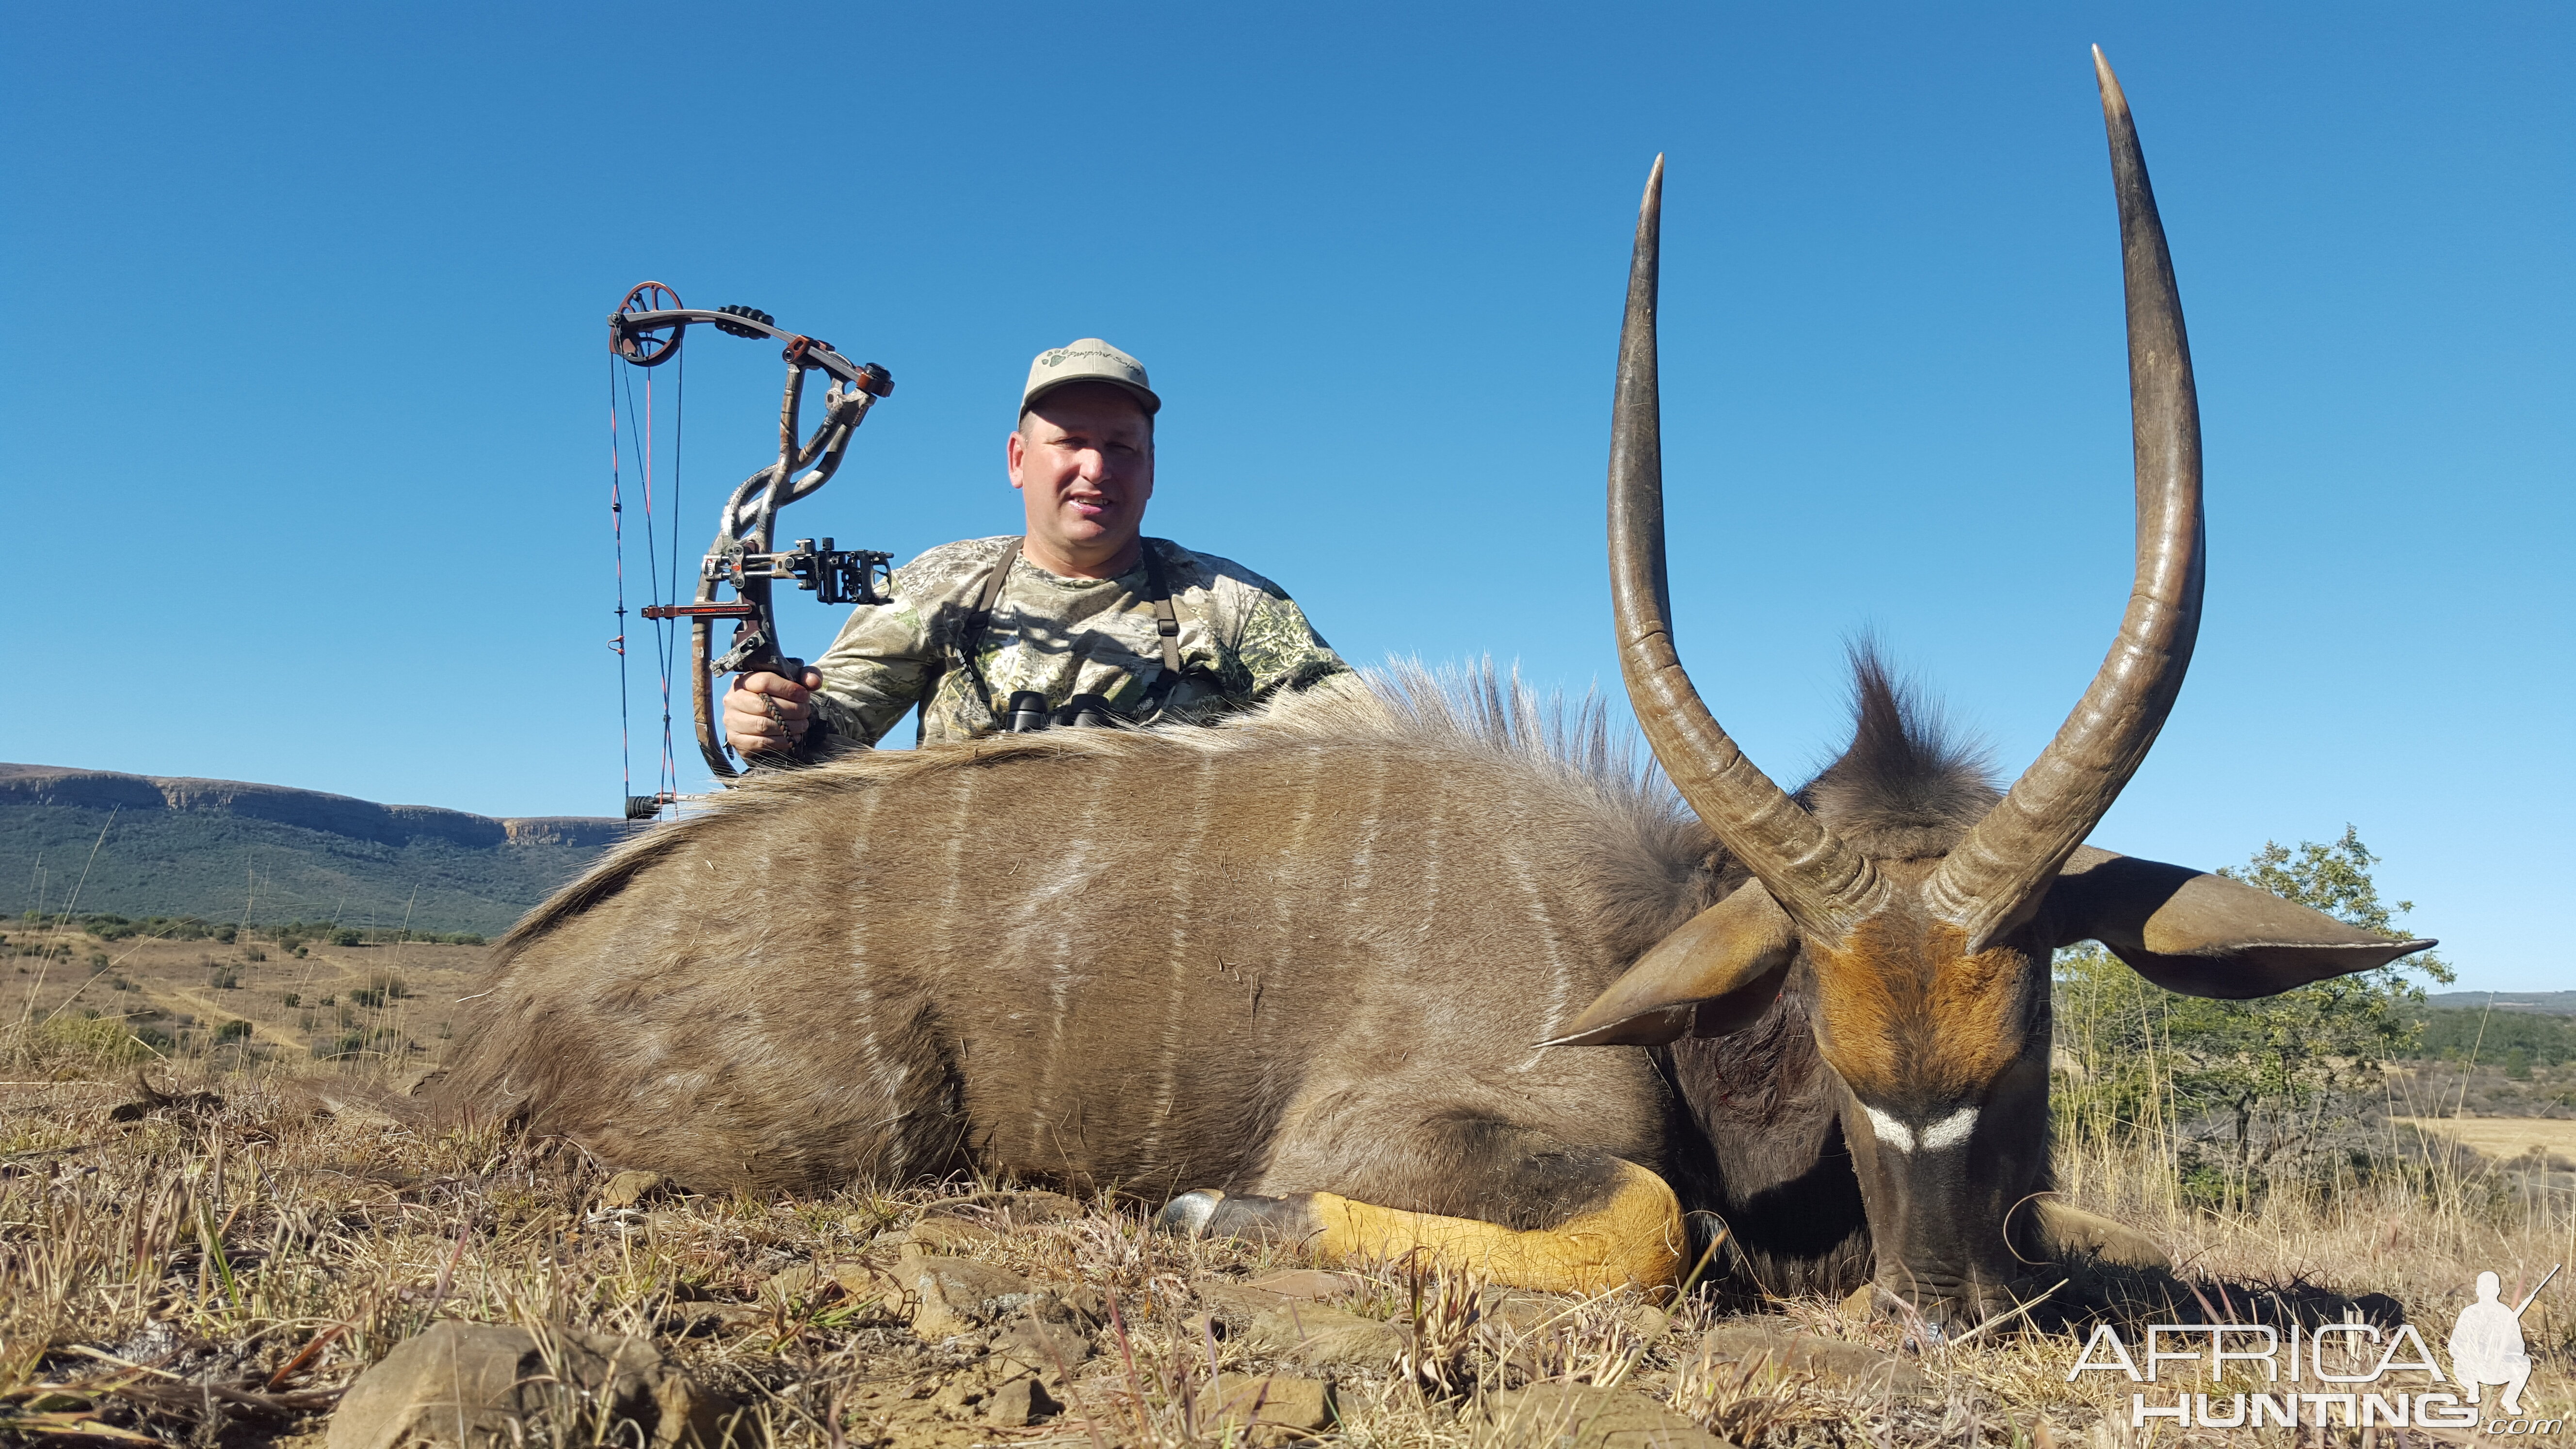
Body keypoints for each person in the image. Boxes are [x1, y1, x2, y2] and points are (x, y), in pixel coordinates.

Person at [721, 338, 1352, 757]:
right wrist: (775, 720)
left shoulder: (1231, 603)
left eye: (1122, 447)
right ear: (1019, 460)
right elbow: (834, 728)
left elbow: (1360, 737)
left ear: (1153, 470)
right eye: (1070, 441)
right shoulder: (938, 585)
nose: (1096, 468)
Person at [2448, 1270, 2532, 1415]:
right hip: (2473, 1367)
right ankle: (2473, 1389)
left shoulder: (2506, 1313)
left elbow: (2519, 1346)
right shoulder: (2469, 1312)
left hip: (2500, 1367)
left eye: (2491, 1288)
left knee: (2524, 1363)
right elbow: (2455, 1343)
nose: (2488, 1292)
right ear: (2478, 1291)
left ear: (2498, 1291)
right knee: (2458, 1363)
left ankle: (2510, 1399)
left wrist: (2504, 1349)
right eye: (2484, 1288)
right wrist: (2471, 1352)